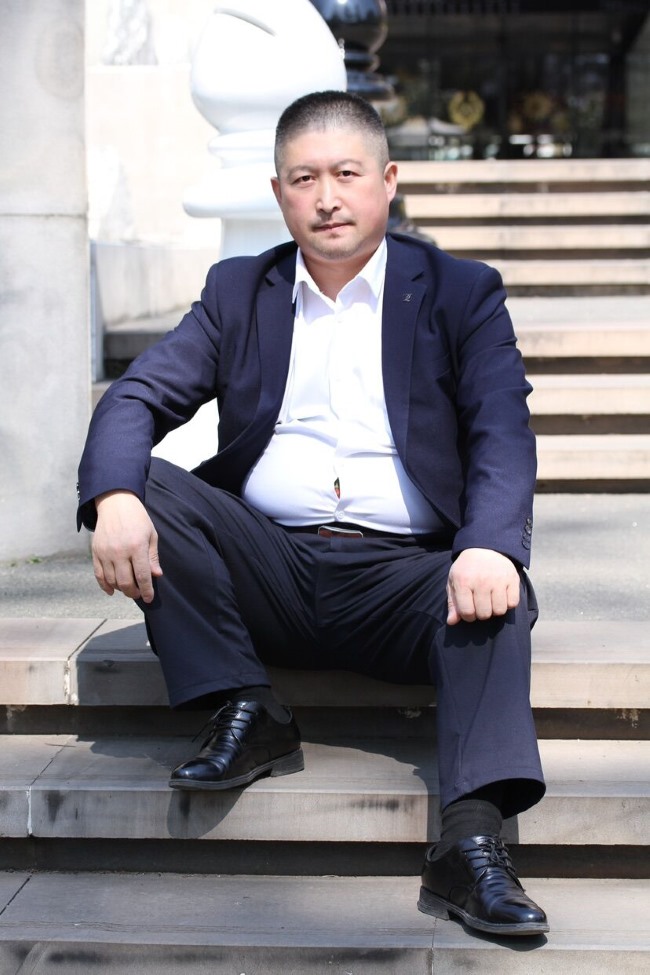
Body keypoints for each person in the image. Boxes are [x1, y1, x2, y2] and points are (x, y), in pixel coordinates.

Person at [77, 90, 548, 937]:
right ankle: (248, 707)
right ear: (279, 191)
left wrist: (488, 545)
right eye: (304, 178)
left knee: (499, 588)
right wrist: (114, 498)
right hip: (272, 567)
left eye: (346, 174)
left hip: (406, 579)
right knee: (145, 479)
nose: (327, 197)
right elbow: (137, 395)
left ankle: (470, 843)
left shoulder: (460, 292)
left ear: (387, 181)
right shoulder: (239, 290)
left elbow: (502, 432)